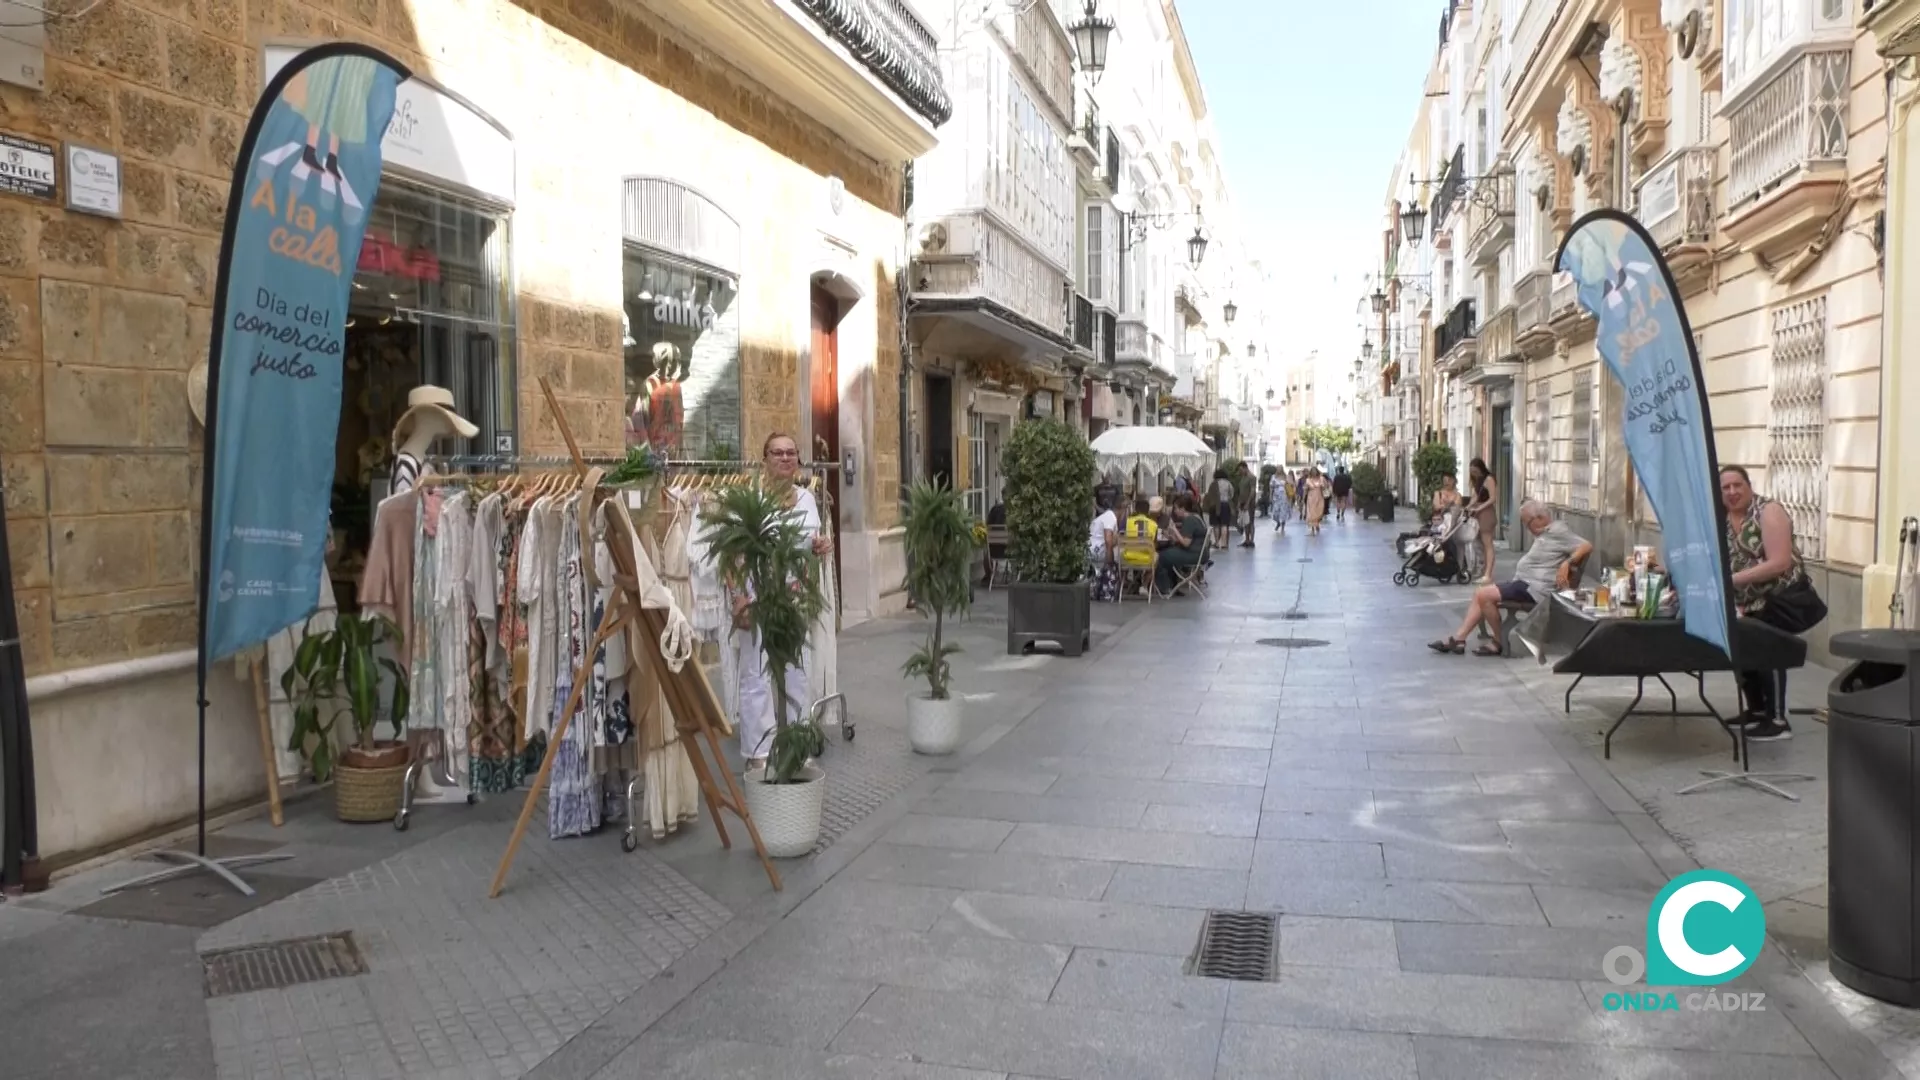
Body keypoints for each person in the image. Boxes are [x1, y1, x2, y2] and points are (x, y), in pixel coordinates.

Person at [733, 433, 833, 770]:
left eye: (791, 453)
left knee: (797, 670)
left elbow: (810, 546)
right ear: (765, 459)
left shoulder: (807, 499)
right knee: (757, 674)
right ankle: (758, 752)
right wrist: (738, 597)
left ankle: (796, 744)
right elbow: (732, 554)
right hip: (757, 594)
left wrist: (820, 548)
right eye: (778, 452)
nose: (786, 458)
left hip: (793, 597)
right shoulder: (751, 498)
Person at [1722, 465, 1826, 741]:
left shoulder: (1768, 511)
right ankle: (1757, 710)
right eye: (1725, 487)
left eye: (1737, 485)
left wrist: (1731, 580)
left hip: (1778, 598)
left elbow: (1779, 562)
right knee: (1744, 651)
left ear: (1749, 486)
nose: (1732, 492)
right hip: (1745, 602)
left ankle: (1778, 720)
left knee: (1770, 651)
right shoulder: (1723, 518)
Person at [1428, 500, 1590, 657]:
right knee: (1480, 593)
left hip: (1534, 589)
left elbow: (1586, 545)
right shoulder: (1547, 532)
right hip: (1524, 584)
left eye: (1527, 523)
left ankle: (1498, 642)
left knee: (1484, 595)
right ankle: (1460, 638)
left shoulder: (1558, 531)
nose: (1527, 528)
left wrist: (1567, 563)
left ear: (1540, 518)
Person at [1156, 495, 1210, 594]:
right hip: (1199, 553)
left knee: (1161, 556)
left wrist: (1174, 529)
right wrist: (1172, 537)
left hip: (1194, 554)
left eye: (1176, 508)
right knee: (1170, 554)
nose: (1174, 511)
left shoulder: (1190, 520)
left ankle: (1164, 587)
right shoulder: (1196, 517)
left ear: (1183, 509)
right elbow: (1186, 539)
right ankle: (1172, 586)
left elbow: (1186, 543)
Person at [1462, 457, 1499, 585]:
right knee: (1477, 543)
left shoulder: (1489, 479)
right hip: (1477, 513)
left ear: (1480, 468)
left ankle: (1488, 574)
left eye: (1475, 471)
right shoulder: (1478, 480)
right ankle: (1482, 569)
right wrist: (1468, 507)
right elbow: (1475, 496)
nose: (1474, 474)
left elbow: (1493, 498)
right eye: (1472, 472)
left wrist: (1479, 507)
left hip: (1486, 513)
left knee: (1487, 544)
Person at [1087, 492, 1120, 602]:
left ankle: (1095, 591)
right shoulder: (1111, 517)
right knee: (1116, 560)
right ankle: (1107, 593)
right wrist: (1110, 560)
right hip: (1097, 550)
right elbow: (1108, 539)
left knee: (1096, 571)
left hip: (1090, 549)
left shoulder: (1103, 517)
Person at [981, 498, 1007, 586]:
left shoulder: (995, 509)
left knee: (986, 550)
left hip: (993, 552)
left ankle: (989, 576)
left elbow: (987, 525)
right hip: (1010, 552)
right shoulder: (1014, 512)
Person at [1208, 469, 1236, 550]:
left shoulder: (1213, 483)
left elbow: (1210, 494)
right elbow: (1232, 494)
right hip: (1225, 504)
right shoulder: (1228, 483)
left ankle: (1217, 543)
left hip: (1215, 505)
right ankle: (1224, 544)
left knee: (1216, 524)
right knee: (1224, 524)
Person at [1234, 461, 1258, 549]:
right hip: (1242, 502)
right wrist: (1239, 503)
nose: (1240, 472)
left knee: (1250, 521)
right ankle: (1247, 540)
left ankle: (1251, 540)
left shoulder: (1252, 477)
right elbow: (1241, 491)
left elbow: (1252, 491)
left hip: (1249, 503)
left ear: (1245, 468)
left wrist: (1248, 503)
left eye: (1241, 470)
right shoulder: (1243, 478)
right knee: (1245, 522)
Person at [1303, 468, 1329, 536]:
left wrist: (1323, 486)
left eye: (1315, 471)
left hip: (1320, 497)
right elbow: (1305, 489)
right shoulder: (1308, 480)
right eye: (1312, 472)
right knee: (1311, 513)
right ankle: (1312, 530)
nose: (1314, 473)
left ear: (1317, 472)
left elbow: (1326, 486)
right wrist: (1303, 498)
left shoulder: (1321, 479)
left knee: (1319, 512)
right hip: (1311, 498)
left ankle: (1317, 524)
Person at [1271, 469, 1294, 535]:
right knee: (1275, 513)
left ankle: (1283, 528)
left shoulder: (1286, 477)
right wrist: (1270, 495)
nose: (1279, 470)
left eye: (1280, 468)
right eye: (1278, 468)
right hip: (1276, 497)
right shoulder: (1273, 477)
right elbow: (1271, 487)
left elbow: (1292, 485)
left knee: (1283, 512)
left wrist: (1287, 482)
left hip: (1284, 497)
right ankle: (1278, 522)